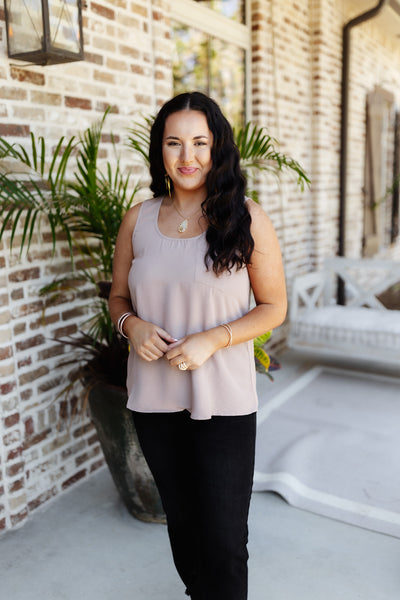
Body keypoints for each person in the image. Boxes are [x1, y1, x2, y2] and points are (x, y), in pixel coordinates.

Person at [108, 91, 287, 600]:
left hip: (224, 401)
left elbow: (274, 307)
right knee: (183, 527)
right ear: (159, 151)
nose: (187, 157)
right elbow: (118, 296)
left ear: (219, 149)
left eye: (200, 143)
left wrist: (213, 338)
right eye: (174, 143)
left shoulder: (246, 217)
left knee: (226, 539)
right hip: (154, 399)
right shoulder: (136, 220)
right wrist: (130, 326)